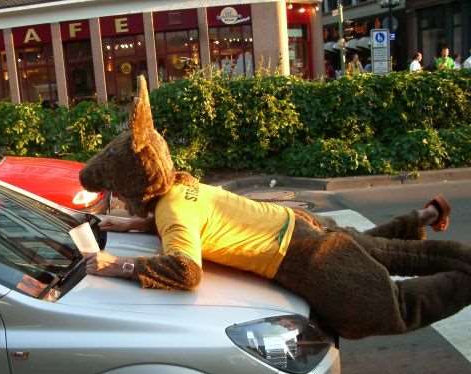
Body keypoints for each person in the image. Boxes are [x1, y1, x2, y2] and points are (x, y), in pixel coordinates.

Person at [78, 75, 471, 340]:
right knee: (385, 252)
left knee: (395, 306)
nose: (119, 199)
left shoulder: (172, 211)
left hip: (306, 259)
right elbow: (191, 221)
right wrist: (131, 225)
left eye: (117, 190)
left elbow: (186, 270)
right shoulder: (184, 186)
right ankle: (424, 217)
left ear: (135, 184)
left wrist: (117, 265)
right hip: (307, 226)